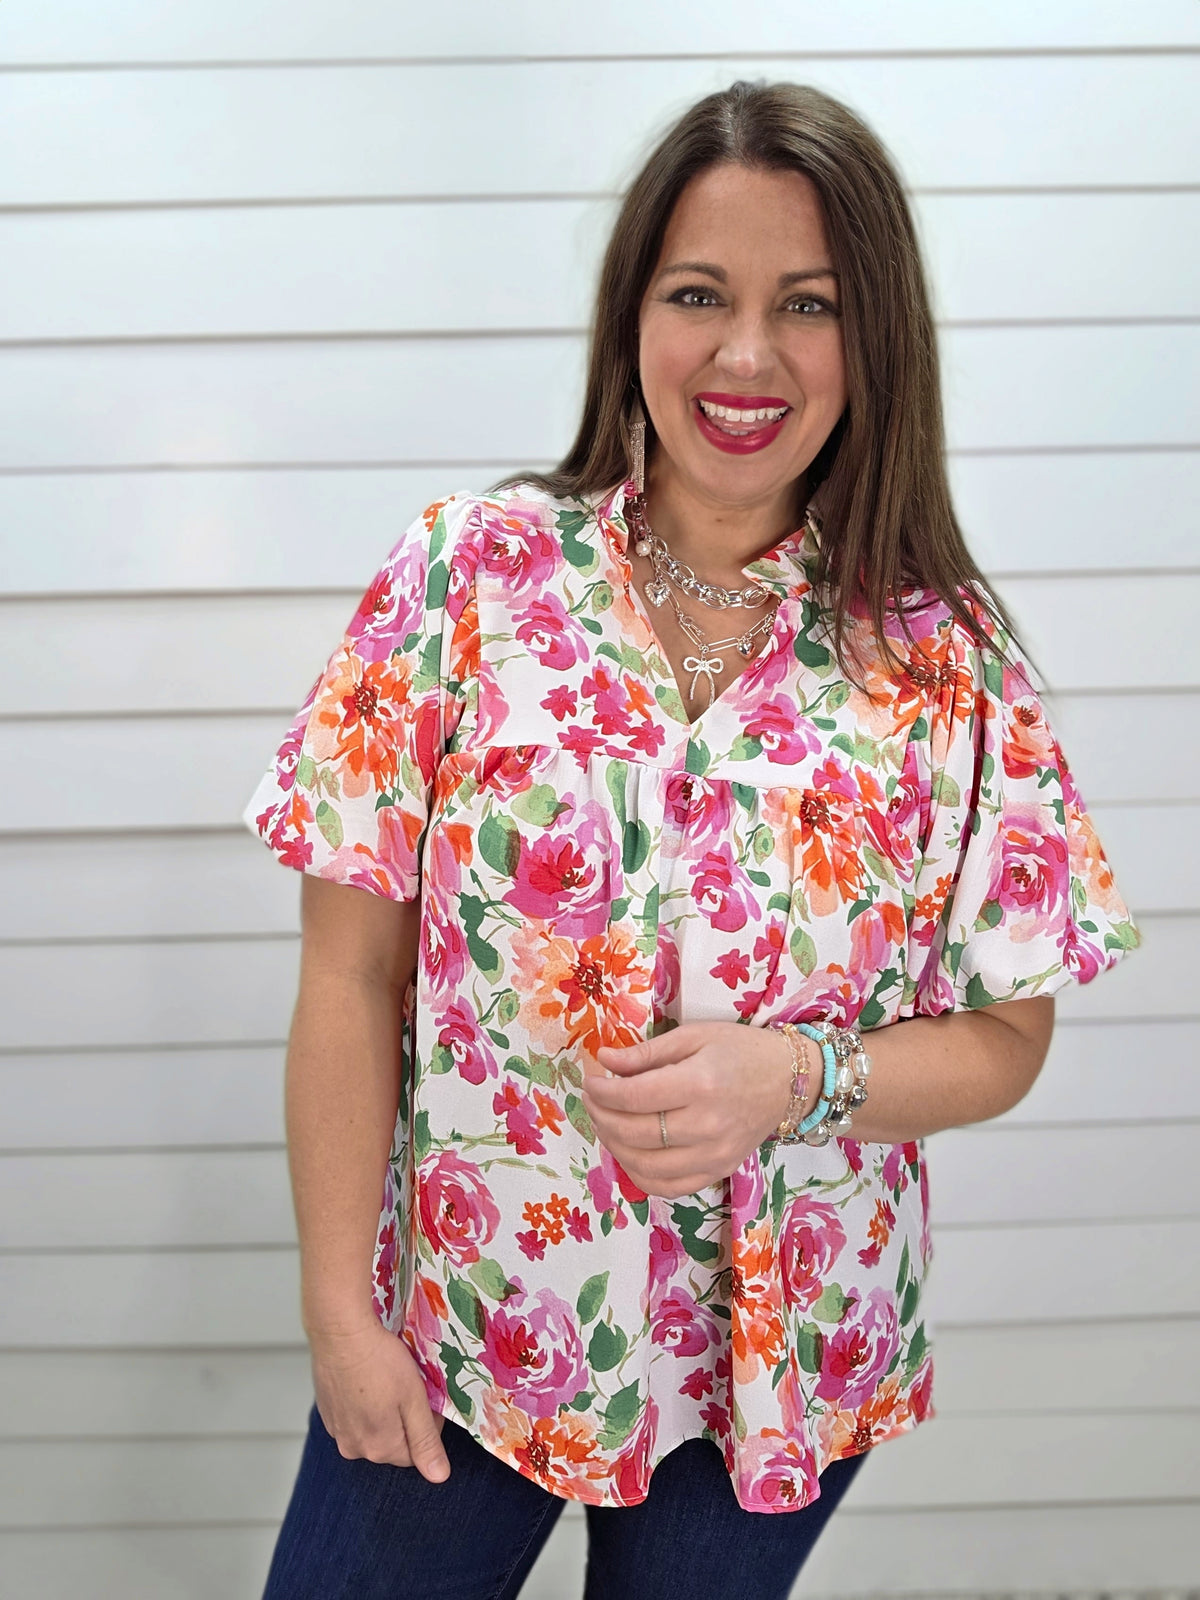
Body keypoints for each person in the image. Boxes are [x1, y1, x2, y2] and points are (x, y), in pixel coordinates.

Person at [244, 79, 1138, 1600]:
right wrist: (341, 1309)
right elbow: (348, 976)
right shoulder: (466, 579)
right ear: (632, 315)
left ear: (878, 340)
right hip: (464, 1327)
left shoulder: (950, 665)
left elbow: (1008, 1036)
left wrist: (795, 1078)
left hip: (781, 1368)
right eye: (700, 293)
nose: (745, 354)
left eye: (809, 304)